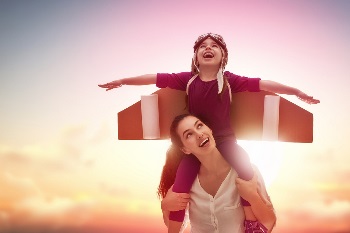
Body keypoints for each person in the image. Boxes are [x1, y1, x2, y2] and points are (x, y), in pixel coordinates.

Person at [98, 32, 319, 223]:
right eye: (202, 46)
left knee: (246, 171)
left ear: (223, 57)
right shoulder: (187, 80)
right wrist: (122, 81)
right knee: (181, 182)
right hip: (197, 145)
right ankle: (174, 228)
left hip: (225, 141)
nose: (208, 48)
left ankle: (251, 223)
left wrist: (297, 93)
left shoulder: (230, 81)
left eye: (214, 46)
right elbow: (152, 78)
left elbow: (265, 84)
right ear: (195, 56)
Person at [157, 114, 276, 233]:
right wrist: (165, 207)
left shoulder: (247, 172)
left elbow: (269, 222)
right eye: (189, 134)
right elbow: (178, 227)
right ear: (185, 149)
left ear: (209, 129)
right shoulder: (186, 183)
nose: (199, 134)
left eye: (199, 126)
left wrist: (252, 196)